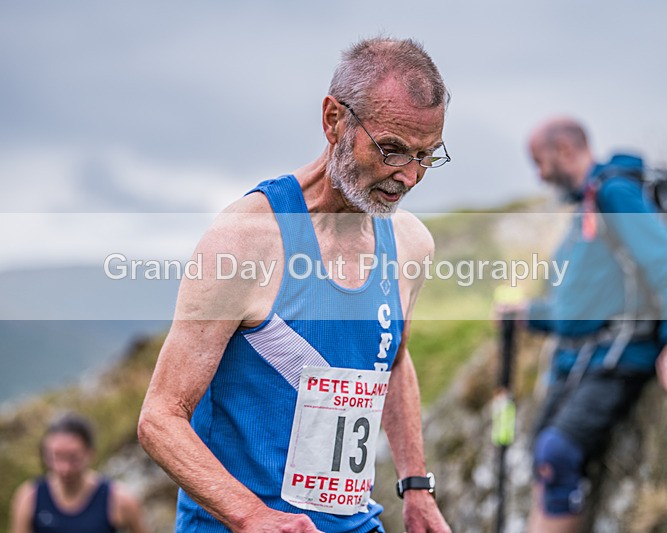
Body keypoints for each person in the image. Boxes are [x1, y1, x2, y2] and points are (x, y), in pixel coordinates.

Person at [138, 37, 452, 533]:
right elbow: (160, 419)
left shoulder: (411, 244)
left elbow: (393, 361)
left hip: (355, 522)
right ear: (334, 120)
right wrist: (253, 517)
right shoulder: (244, 241)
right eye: (391, 149)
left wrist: (416, 488)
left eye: (426, 156)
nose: (408, 176)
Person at [505, 117, 667, 532]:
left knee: (557, 454)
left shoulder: (615, 193)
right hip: (588, 358)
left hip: (620, 355)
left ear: (565, 151)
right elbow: (580, 304)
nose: (539, 175)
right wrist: (529, 314)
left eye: (540, 162)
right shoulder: (590, 202)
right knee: (544, 453)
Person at [10, 412, 148, 533]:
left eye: (73, 458)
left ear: (90, 453)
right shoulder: (29, 497)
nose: (64, 469)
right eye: (56, 457)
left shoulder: (119, 499)